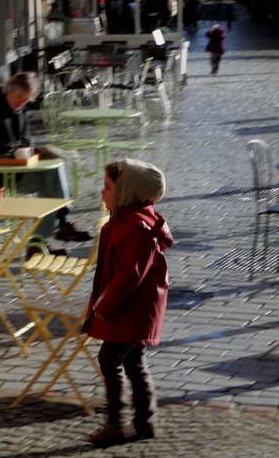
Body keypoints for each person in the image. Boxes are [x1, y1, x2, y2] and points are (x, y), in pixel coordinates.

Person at [84, 159, 173, 446]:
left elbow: (130, 275)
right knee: (134, 361)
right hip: (132, 308)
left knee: (109, 360)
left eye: (108, 188)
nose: (102, 192)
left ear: (127, 192)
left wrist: (103, 306)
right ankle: (146, 422)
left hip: (133, 309)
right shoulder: (125, 220)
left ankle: (115, 424)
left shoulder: (137, 227)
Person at [0, 71, 91, 244]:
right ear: (8, 91)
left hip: (17, 171)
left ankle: (54, 230)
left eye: (26, 100)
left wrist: (33, 149)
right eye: (19, 97)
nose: (21, 103)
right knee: (49, 186)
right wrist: (12, 151)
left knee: (55, 168)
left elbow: (25, 137)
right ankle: (45, 236)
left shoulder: (20, 108)